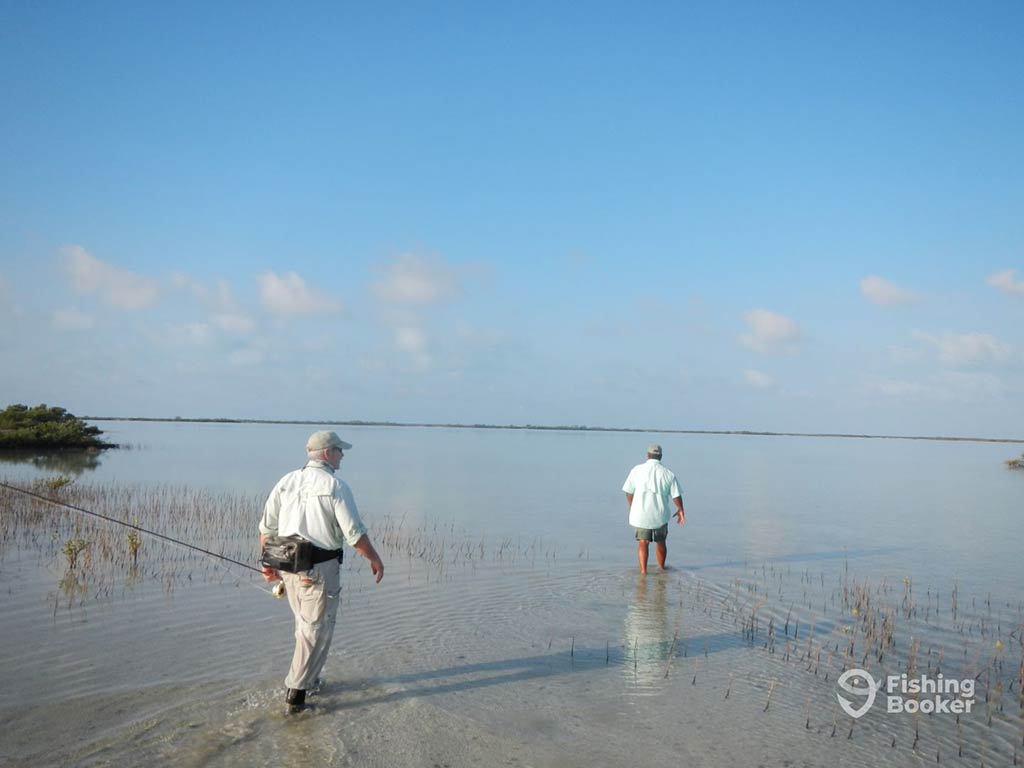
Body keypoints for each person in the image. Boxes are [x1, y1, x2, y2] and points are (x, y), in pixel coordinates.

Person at [259, 430, 384, 713]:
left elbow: (266, 529)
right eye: (340, 450)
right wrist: (375, 558)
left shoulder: (286, 481)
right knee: (316, 631)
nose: (342, 455)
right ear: (327, 453)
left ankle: (310, 681)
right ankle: (296, 693)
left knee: (304, 627)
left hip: (288, 567)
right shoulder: (336, 486)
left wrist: (267, 564)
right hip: (319, 570)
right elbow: (354, 534)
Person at [621, 443, 685, 573]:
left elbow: (628, 491)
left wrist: (632, 506)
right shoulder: (668, 474)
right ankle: (661, 569)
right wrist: (680, 509)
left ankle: (643, 572)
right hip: (660, 514)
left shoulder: (636, 470)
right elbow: (676, 495)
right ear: (660, 456)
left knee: (643, 542)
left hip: (640, 514)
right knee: (661, 541)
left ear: (647, 455)